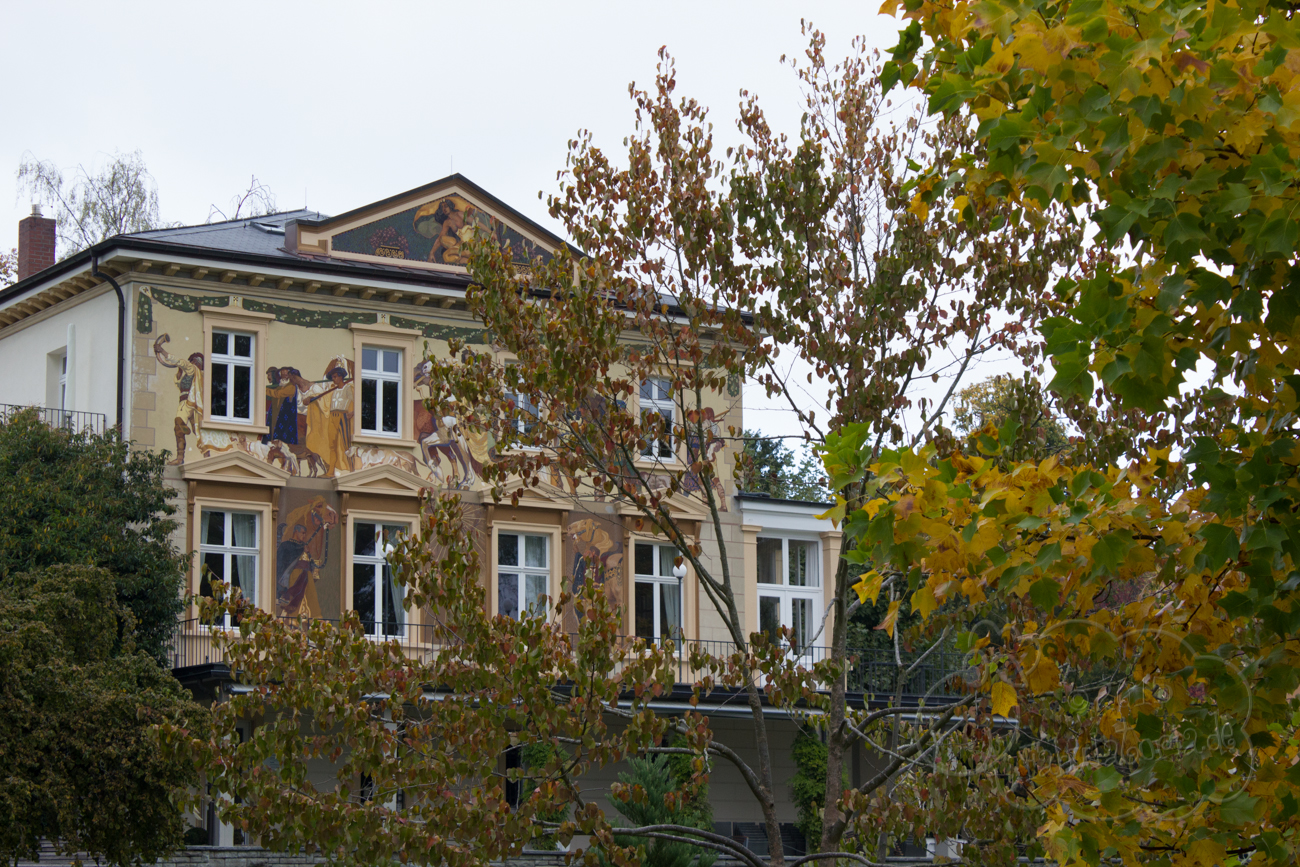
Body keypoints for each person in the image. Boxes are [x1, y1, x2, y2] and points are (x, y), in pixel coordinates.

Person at [153, 333, 204, 465]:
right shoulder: (194, 375)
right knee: (197, 432)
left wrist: (162, 351)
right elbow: (178, 385)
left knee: (178, 423)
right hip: (193, 405)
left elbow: (179, 361)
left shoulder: (192, 369)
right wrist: (179, 374)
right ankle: (206, 456)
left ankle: (180, 457)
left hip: (187, 402)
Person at [299, 365, 353, 475]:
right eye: (332, 377)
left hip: (343, 417)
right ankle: (330, 471)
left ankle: (352, 470)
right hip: (332, 417)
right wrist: (310, 399)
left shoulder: (348, 388)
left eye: (335, 376)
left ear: (341, 377)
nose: (333, 379)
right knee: (331, 446)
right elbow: (322, 398)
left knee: (346, 445)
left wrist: (352, 413)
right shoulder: (332, 390)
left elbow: (356, 402)